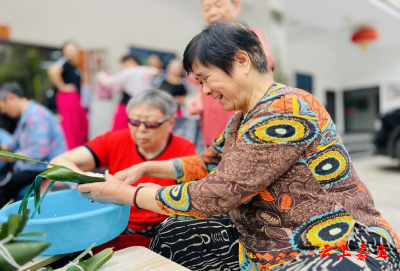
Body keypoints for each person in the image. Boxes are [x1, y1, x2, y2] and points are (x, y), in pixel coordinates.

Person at [77, 22, 400, 271]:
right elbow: (205, 164)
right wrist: (145, 167)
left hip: (335, 242)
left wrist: (126, 194)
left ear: (241, 60)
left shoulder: (287, 110)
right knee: (174, 234)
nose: (204, 91)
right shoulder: (242, 118)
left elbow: (216, 193)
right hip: (267, 238)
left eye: (205, 79)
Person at [50, 89, 197, 250]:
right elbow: (57, 163)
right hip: (116, 223)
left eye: (151, 123)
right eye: (134, 122)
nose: (141, 129)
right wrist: (86, 178)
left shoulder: (184, 149)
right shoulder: (114, 140)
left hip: (163, 227)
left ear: (171, 122)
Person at [188, 0, 275, 147]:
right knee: (215, 157)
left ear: (236, 6)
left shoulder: (248, 36)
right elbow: (199, 81)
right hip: (212, 123)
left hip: (242, 121)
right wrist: (198, 98)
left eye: (218, 5)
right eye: (207, 8)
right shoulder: (203, 45)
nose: (212, 12)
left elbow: (264, 69)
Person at [0, 83, 66, 207]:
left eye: (3, 107)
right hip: (32, 166)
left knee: (4, 185)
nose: (3, 112)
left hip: (45, 168)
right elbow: (12, 143)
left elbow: (39, 152)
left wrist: (9, 156)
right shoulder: (26, 115)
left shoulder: (36, 115)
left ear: (11, 98)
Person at [97, 54, 158, 131]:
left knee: (120, 128)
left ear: (130, 61)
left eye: (124, 63)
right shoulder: (147, 70)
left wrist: (101, 74)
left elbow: (110, 81)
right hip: (145, 105)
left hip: (127, 104)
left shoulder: (130, 71)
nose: (124, 66)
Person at [47, 41, 88, 150]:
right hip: (67, 98)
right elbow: (52, 71)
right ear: (63, 51)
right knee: (70, 128)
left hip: (76, 99)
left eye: (74, 48)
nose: (72, 51)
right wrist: (62, 86)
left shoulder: (74, 66)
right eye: (69, 49)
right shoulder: (63, 61)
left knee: (79, 127)